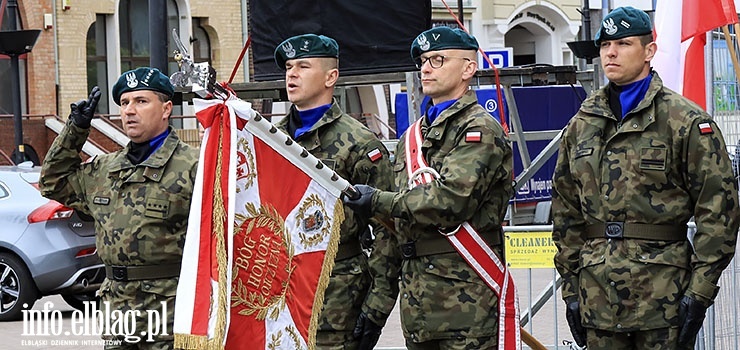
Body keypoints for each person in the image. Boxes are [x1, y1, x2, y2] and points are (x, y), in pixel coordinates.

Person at [552, 6, 740, 350]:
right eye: (605, 44)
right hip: (597, 298)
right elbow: (566, 212)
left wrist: (700, 291)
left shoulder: (683, 121)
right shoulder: (582, 124)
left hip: (662, 298)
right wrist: (571, 289)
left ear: (649, 51)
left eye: (623, 43)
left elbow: (719, 211)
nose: (610, 52)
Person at [343, 26, 514, 349]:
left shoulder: (479, 130)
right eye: (423, 61)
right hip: (419, 306)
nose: (425, 68)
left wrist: (378, 200)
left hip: (467, 307)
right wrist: (378, 305)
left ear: (468, 68)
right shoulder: (411, 138)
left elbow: (450, 200)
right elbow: (394, 230)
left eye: (437, 60)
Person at [40, 67, 199, 350]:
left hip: (170, 312)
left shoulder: (194, 166)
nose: (129, 111)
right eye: (124, 103)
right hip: (116, 310)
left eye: (141, 101)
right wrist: (75, 130)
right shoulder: (106, 168)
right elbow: (52, 182)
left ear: (166, 109)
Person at [273, 34, 397, 350]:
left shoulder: (359, 143)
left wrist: (377, 307)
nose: (292, 74)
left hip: (337, 298)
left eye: (303, 65)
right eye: (288, 67)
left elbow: (388, 230)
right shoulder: (271, 139)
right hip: (278, 298)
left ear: (331, 76)